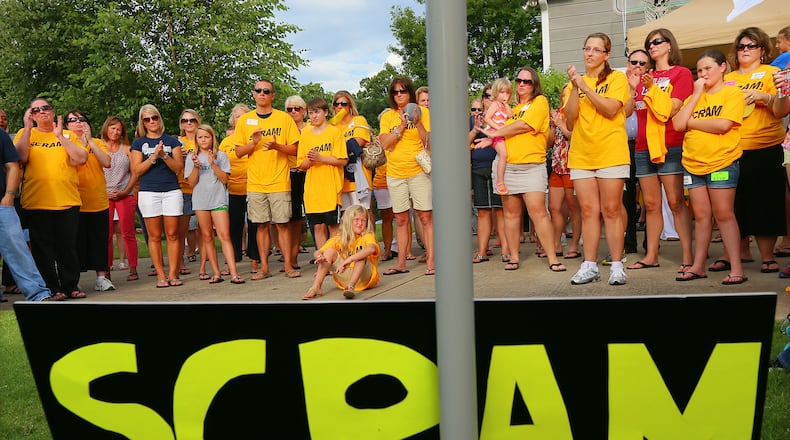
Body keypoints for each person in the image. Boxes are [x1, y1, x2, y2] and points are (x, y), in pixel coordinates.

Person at [709, 27, 787, 276]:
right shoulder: (728, 78)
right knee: (733, 205)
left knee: (765, 202)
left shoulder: (772, 73)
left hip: (765, 146)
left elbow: (782, 110)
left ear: (762, 50)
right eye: (741, 46)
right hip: (730, 149)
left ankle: (767, 256)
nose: (745, 50)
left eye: (751, 45)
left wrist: (764, 96)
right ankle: (734, 253)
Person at [672, 49, 746, 285]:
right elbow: (677, 124)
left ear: (722, 67)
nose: (703, 74)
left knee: (724, 214)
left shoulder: (732, 93)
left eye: (708, 68)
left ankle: (737, 268)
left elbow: (723, 125)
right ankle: (698, 266)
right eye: (699, 70)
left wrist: (691, 123)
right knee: (702, 216)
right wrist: (696, 95)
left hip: (722, 162)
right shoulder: (694, 97)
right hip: (692, 164)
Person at [481, 67, 565, 273]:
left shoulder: (540, 102)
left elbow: (524, 126)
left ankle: (552, 258)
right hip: (508, 166)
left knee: (539, 212)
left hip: (532, 165)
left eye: (527, 81)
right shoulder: (511, 108)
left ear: (534, 84)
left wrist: (496, 133)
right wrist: (491, 138)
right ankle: (514, 257)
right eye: (519, 80)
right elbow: (502, 129)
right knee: (511, 214)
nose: (522, 84)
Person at [564, 33, 631, 285]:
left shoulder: (617, 78)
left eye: (596, 49)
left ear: (606, 54)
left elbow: (611, 109)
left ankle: (616, 265)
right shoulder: (575, 84)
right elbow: (570, 120)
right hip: (582, 154)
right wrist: (574, 87)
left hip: (611, 152)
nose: (589, 53)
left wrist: (584, 87)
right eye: (587, 48)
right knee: (588, 211)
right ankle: (589, 265)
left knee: (611, 210)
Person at [626, 30, 694, 275]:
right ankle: (651, 255)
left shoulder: (681, 73)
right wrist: (632, 89)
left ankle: (688, 257)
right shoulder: (646, 76)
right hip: (643, 145)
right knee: (651, 204)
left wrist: (652, 88)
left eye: (657, 41)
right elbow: (631, 111)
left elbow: (673, 109)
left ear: (669, 45)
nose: (652, 46)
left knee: (676, 202)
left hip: (670, 143)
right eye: (649, 43)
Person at [14, 98, 88, 299]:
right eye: (35, 110)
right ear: (31, 115)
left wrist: (60, 137)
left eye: (45, 108)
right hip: (36, 201)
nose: (41, 112)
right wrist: (27, 128)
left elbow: (81, 158)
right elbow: (20, 158)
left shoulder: (68, 134)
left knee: (67, 246)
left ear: (53, 112)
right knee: (42, 249)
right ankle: (52, 288)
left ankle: (70, 286)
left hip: (67, 200)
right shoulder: (25, 134)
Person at [234, 79, 300, 280]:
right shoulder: (245, 121)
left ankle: (288, 265)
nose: (262, 93)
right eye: (258, 90)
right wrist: (253, 143)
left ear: (273, 96)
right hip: (255, 183)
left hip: (279, 181)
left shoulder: (284, 119)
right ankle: (264, 267)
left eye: (266, 91)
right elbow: (238, 152)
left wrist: (277, 146)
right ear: (253, 94)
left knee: (282, 224)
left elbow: (296, 149)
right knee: (261, 225)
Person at [379, 77, 434, 276]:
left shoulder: (423, 112)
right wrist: (402, 126)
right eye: (395, 92)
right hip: (395, 173)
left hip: (418, 171)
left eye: (403, 90)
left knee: (425, 216)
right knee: (401, 219)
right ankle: (401, 263)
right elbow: (385, 144)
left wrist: (417, 123)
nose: (399, 94)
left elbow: (430, 142)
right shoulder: (388, 116)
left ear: (410, 92)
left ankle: (432, 261)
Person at [130, 104, 185, 288]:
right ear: (143, 122)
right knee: (154, 236)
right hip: (148, 192)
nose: (152, 121)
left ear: (159, 119)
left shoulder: (172, 141)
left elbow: (178, 169)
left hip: (171, 190)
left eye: (154, 117)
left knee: (173, 234)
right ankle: (161, 275)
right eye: (147, 119)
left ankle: (173, 274)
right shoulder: (138, 143)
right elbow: (136, 171)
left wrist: (164, 156)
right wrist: (153, 157)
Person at [186, 124, 244, 284]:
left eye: (207, 137)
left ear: (212, 138)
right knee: (207, 237)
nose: (203, 140)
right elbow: (191, 183)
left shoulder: (221, 155)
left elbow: (225, 179)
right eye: (200, 137)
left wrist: (213, 164)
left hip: (218, 199)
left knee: (224, 235)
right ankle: (216, 273)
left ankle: (234, 273)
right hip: (201, 201)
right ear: (196, 140)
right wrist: (196, 167)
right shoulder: (192, 157)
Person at [0, 127, 52, 302]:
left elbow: (12, 166)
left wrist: (9, 195)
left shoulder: (1, 135)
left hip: (2, 205)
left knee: (17, 249)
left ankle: (38, 294)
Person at [67, 110, 114, 292]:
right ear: (67, 125)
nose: (78, 122)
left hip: (97, 200)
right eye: (73, 120)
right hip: (74, 200)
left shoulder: (98, 143)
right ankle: (74, 279)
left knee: (99, 241)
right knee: (74, 243)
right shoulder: (64, 142)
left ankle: (102, 278)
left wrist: (90, 142)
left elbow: (107, 162)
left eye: (82, 119)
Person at [297, 97, 348, 249]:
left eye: (317, 112)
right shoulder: (305, 135)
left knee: (333, 227)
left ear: (325, 112)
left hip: (331, 189)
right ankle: (323, 258)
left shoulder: (335, 132)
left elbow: (342, 160)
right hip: (312, 191)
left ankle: (335, 257)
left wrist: (321, 158)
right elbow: (301, 165)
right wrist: (311, 160)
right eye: (311, 113)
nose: (314, 116)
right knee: (318, 227)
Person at [303, 204, 380, 300]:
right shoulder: (339, 238)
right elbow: (318, 252)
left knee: (361, 254)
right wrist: (320, 257)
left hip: (364, 277)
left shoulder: (367, 235)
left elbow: (371, 248)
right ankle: (316, 287)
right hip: (345, 276)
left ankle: (351, 287)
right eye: (356, 220)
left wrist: (351, 259)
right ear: (348, 221)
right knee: (329, 252)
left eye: (363, 220)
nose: (360, 223)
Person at [470, 89, 509, 264]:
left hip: (498, 166)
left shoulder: (501, 116)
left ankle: (506, 250)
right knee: (483, 211)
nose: (490, 99)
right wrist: (475, 128)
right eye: (487, 96)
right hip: (479, 168)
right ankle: (482, 252)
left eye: (494, 95)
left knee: (500, 211)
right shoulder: (474, 119)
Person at [219, 103, 260, 274]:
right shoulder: (226, 142)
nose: (240, 119)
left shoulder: (256, 137)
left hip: (254, 187)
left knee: (254, 225)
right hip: (233, 189)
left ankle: (255, 260)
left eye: (244, 116)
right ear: (233, 120)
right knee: (234, 226)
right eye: (237, 116)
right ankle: (232, 261)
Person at [547, 84, 581, 259]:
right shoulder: (559, 113)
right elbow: (549, 143)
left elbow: (574, 137)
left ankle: (574, 245)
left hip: (571, 165)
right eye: (563, 94)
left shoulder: (576, 113)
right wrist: (553, 126)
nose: (564, 97)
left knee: (574, 208)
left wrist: (561, 124)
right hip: (557, 165)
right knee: (554, 207)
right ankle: (557, 244)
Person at [332, 90, 372, 215]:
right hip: (340, 178)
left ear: (350, 106)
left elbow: (358, 142)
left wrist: (338, 148)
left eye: (344, 104)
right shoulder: (332, 126)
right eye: (336, 104)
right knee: (346, 217)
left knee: (362, 214)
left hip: (358, 175)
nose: (340, 107)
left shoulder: (359, 120)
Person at [284, 95, 309, 271]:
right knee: (293, 219)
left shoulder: (311, 128)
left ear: (304, 111)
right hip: (291, 174)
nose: (293, 112)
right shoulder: (284, 129)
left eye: (297, 108)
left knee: (317, 217)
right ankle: (291, 259)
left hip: (310, 173)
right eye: (289, 109)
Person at [176, 109, 201, 274]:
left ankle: (206, 263)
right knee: (181, 230)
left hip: (202, 188)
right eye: (185, 120)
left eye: (192, 120)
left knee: (205, 230)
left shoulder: (204, 138)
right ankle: (180, 262)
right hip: (183, 188)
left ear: (198, 122)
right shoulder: (178, 142)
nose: (189, 123)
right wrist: (178, 156)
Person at [484, 78, 513, 194]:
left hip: (502, 134)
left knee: (505, 154)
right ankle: (500, 181)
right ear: (496, 92)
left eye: (507, 93)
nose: (504, 95)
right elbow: (487, 118)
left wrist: (506, 104)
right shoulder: (495, 104)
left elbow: (511, 116)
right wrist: (497, 128)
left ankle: (503, 179)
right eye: (502, 92)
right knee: (503, 154)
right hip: (495, 133)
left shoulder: (504, 106)